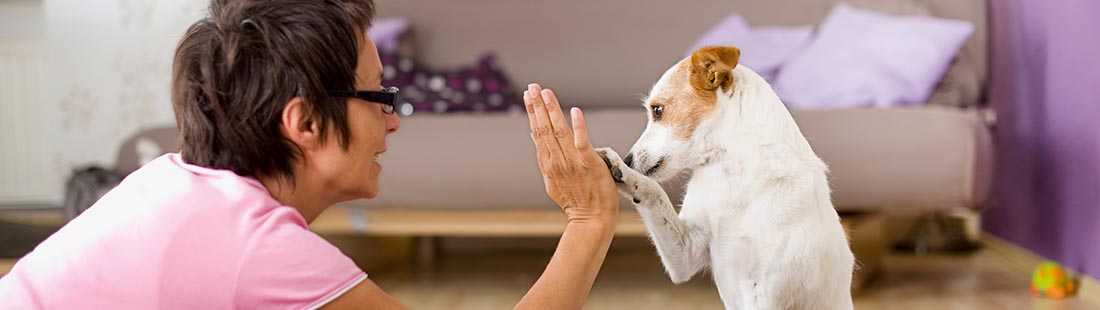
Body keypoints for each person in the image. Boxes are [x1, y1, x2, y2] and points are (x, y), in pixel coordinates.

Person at [0, 0, 619, 309]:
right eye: (379, 96)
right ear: (304, 122)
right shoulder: (260, 252)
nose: (393, 121)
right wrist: (589, 221)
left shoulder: (168, 181)